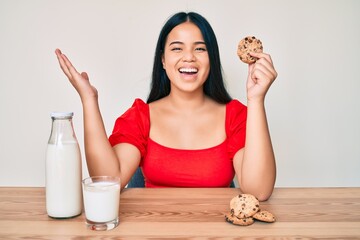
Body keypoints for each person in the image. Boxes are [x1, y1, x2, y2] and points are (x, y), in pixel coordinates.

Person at [55, 11, 277, 201]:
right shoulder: (141, 116)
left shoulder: (236, 116)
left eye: (200, 49)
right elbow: (108, 180)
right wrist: (89, 99)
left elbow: (258, 191)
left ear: (212, 58)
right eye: (177, 48)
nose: (189, 57)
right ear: (163, 60)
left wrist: (256, 100)